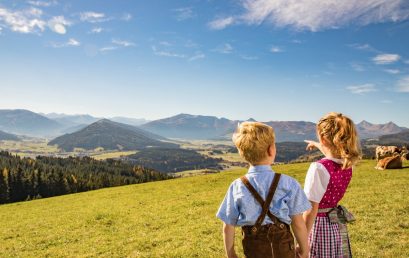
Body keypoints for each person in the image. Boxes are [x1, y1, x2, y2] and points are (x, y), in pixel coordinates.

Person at [216, 121, 311, 258]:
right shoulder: (288, 183)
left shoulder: (237, 186)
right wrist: (304, 249)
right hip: (284, 250)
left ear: (242, 153)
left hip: (254, 250)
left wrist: (231, 254)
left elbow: (228, 226)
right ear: (271, 150)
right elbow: (298, 223)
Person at [303, 112, 361, 257]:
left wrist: (302, 240)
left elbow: (311, 209)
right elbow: (333, 154)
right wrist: (317, 144)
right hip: (334, 225)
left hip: (318, 227)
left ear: (323, 138)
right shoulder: (348, 164)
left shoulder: (318, 168)